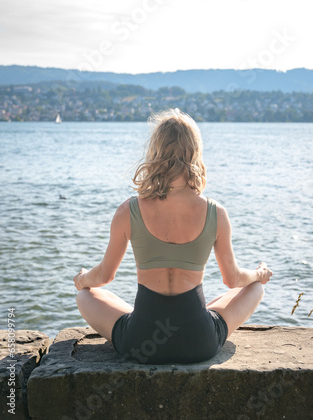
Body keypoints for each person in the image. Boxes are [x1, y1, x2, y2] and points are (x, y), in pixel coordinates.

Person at [73, 109, 273, 364]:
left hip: (140, 342)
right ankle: (200, 312)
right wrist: (260, 273)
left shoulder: (129, 210)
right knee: (254, 288)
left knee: (85, 295)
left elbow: (104, 276)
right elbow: (232, 279)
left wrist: (82, 279)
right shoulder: (216, 212)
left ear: (155, 152)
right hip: (199, 342)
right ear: (195, 152)